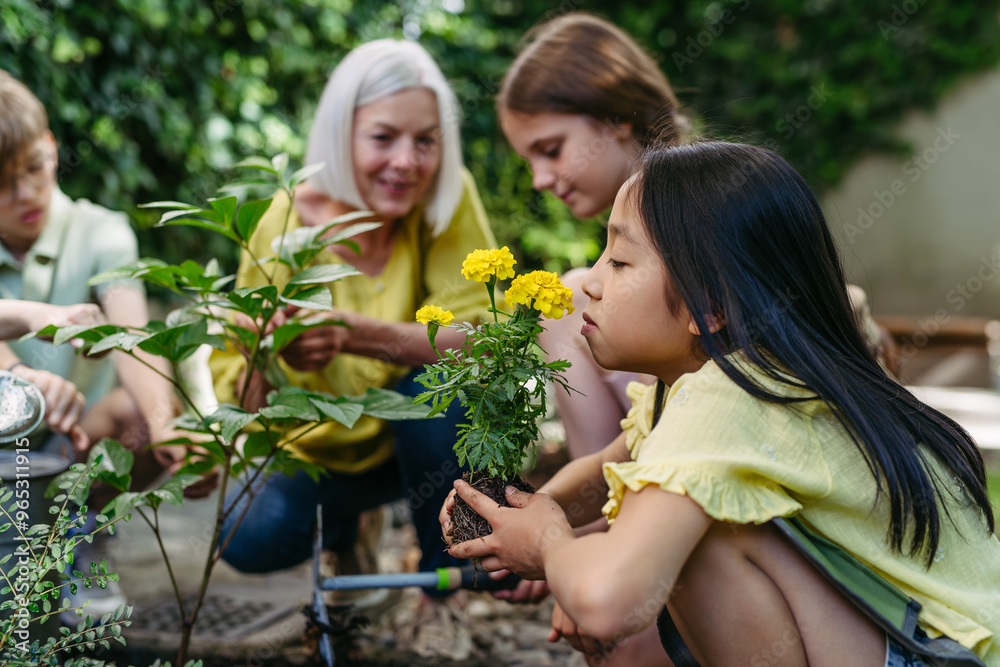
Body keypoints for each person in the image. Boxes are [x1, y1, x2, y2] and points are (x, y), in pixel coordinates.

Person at [446, 142, 1000, 666]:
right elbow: (606, 469)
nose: (589, 282)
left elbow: (605, 600)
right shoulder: (724, 378)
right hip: (916, 646)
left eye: (618, 261)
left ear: (708, 307)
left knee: (694, 541)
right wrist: (520, 510)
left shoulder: (731, 395)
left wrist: (549, 545)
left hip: (935, 655)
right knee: (655, 530)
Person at [209, 39, 497, 660]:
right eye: (383, 138)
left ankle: (443, 597)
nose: (407, 162)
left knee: (444, 392)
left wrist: (355, 333)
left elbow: (480, 344)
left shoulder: (445, 200)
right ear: (341, 135)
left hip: (413, 446)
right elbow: (244, 397)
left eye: (426, 140)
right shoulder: (285, 224)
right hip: (316, 453)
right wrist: (271, 352)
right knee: (243, 537)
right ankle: (346, 526)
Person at [0, 69, 194, 621]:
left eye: (34, 168)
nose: (26, 194)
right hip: (4, 442)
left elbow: (131, 333)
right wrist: (25, 380)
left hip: (74, 442)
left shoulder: (100, 231)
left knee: (143, 409)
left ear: (52, 148)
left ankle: (80, 536)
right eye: (2, 182)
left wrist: (166, 424)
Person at [497, 13, 685, 463]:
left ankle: (600, 514)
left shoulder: (692, 216)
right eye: (530, 160)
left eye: (550, 149)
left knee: (568, 300)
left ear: (616, 118)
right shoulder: (673, 205)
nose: (540, 178)